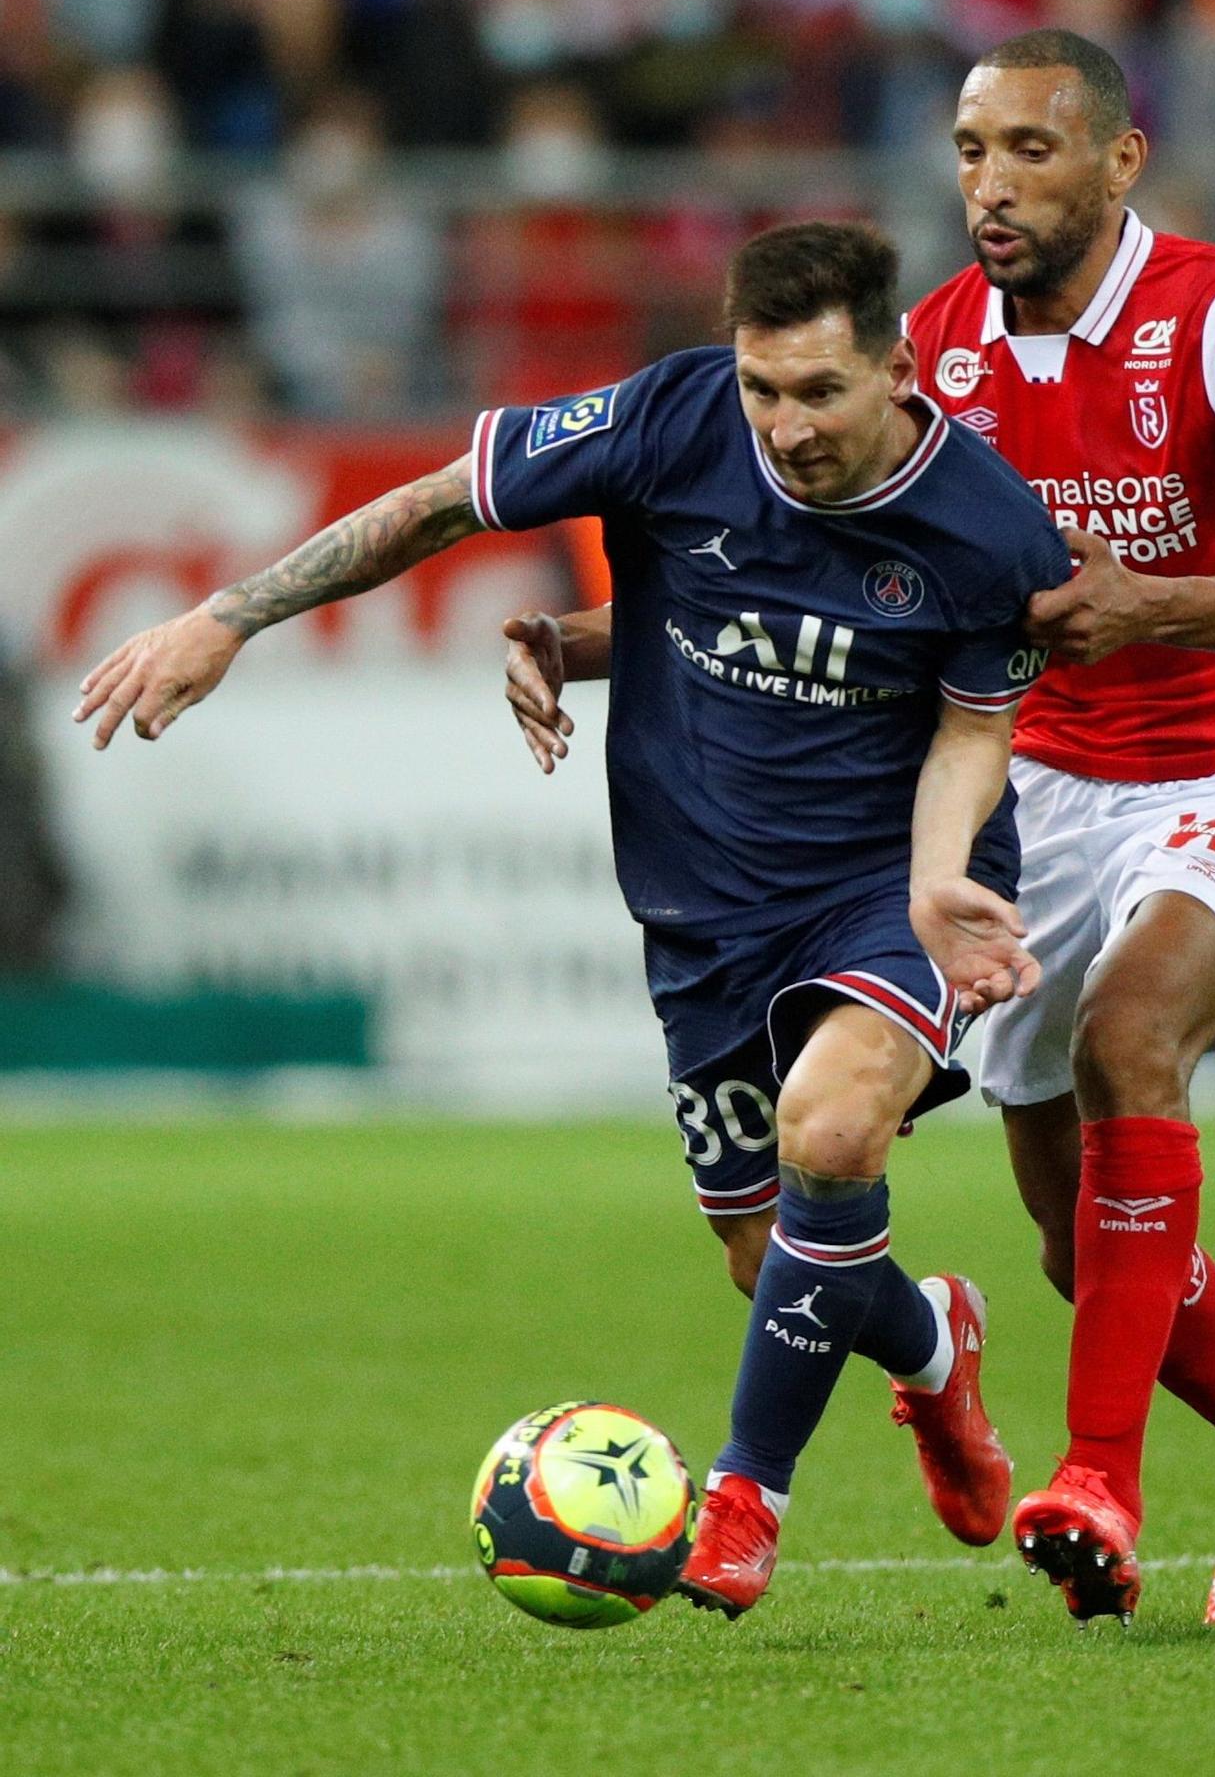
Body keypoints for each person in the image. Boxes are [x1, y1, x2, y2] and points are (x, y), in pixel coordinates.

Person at [506, 31, 1215, 1628]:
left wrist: (1150, 604)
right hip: (1033, 776)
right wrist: (584, 639)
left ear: (1119, 161)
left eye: (1032, 151)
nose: (991, 183)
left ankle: (1098, 1481)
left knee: (1134, 1044)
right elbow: (815, 586)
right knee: (1075, 1242)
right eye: (973, 149)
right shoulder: (927, 347)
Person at [73, 220, 1074, 1619]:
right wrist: (229, 619)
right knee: (763, 1254)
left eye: (820, 394)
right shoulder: (670, 418)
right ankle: (930, 1350)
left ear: (899, 369)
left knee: (833, 1136)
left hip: (883, 890)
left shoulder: (987, 528)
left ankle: (744, 1497)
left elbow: (972, 735)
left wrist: (929, 881)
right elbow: (433, 508)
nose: (785, 427)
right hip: (702, 914)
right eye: (763, 389)